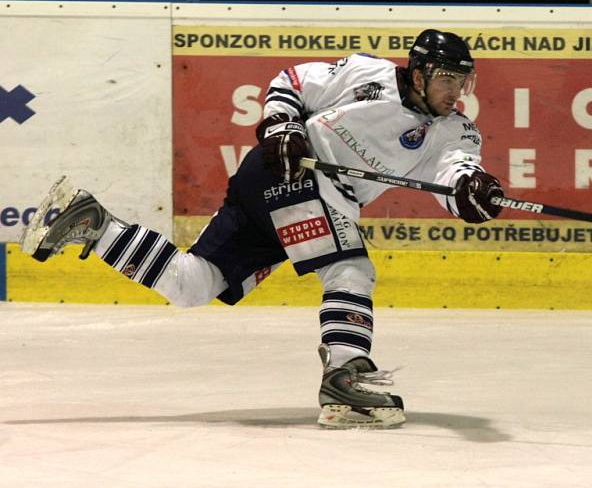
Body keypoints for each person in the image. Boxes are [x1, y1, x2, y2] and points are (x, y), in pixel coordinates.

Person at [20, 28, 505, 429]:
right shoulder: (366, 73)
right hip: (288, 173)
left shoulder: (455, 131)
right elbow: (290, 82)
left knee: (193, 284)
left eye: (463, 82)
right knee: (350, 270)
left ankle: (95, 225)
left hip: (303, 198)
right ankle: (345, 376)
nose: (456, 92)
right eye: (446, 79)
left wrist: (473, 191)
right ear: (418, 73)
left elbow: (454, 176)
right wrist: (283, 127)